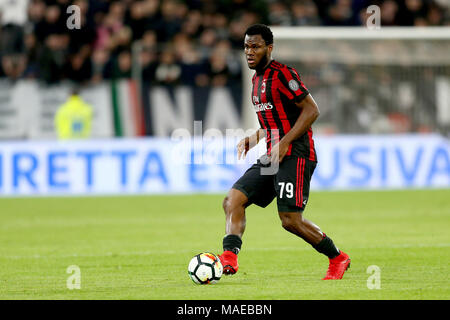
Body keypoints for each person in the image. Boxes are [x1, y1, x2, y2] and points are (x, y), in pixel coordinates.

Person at [218, 24, 350, 280]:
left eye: (255, 46)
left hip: (297, 153)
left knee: (290, 220)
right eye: (246, 46)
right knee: (233, 200)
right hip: (273, 153)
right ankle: (229, 257)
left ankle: (338, 257)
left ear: (269, 48)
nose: (249, 51)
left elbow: (312, 110)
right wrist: (255, 137)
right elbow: (272, 121)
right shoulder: (256, 80)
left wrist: (287, 142)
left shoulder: (282, 74)